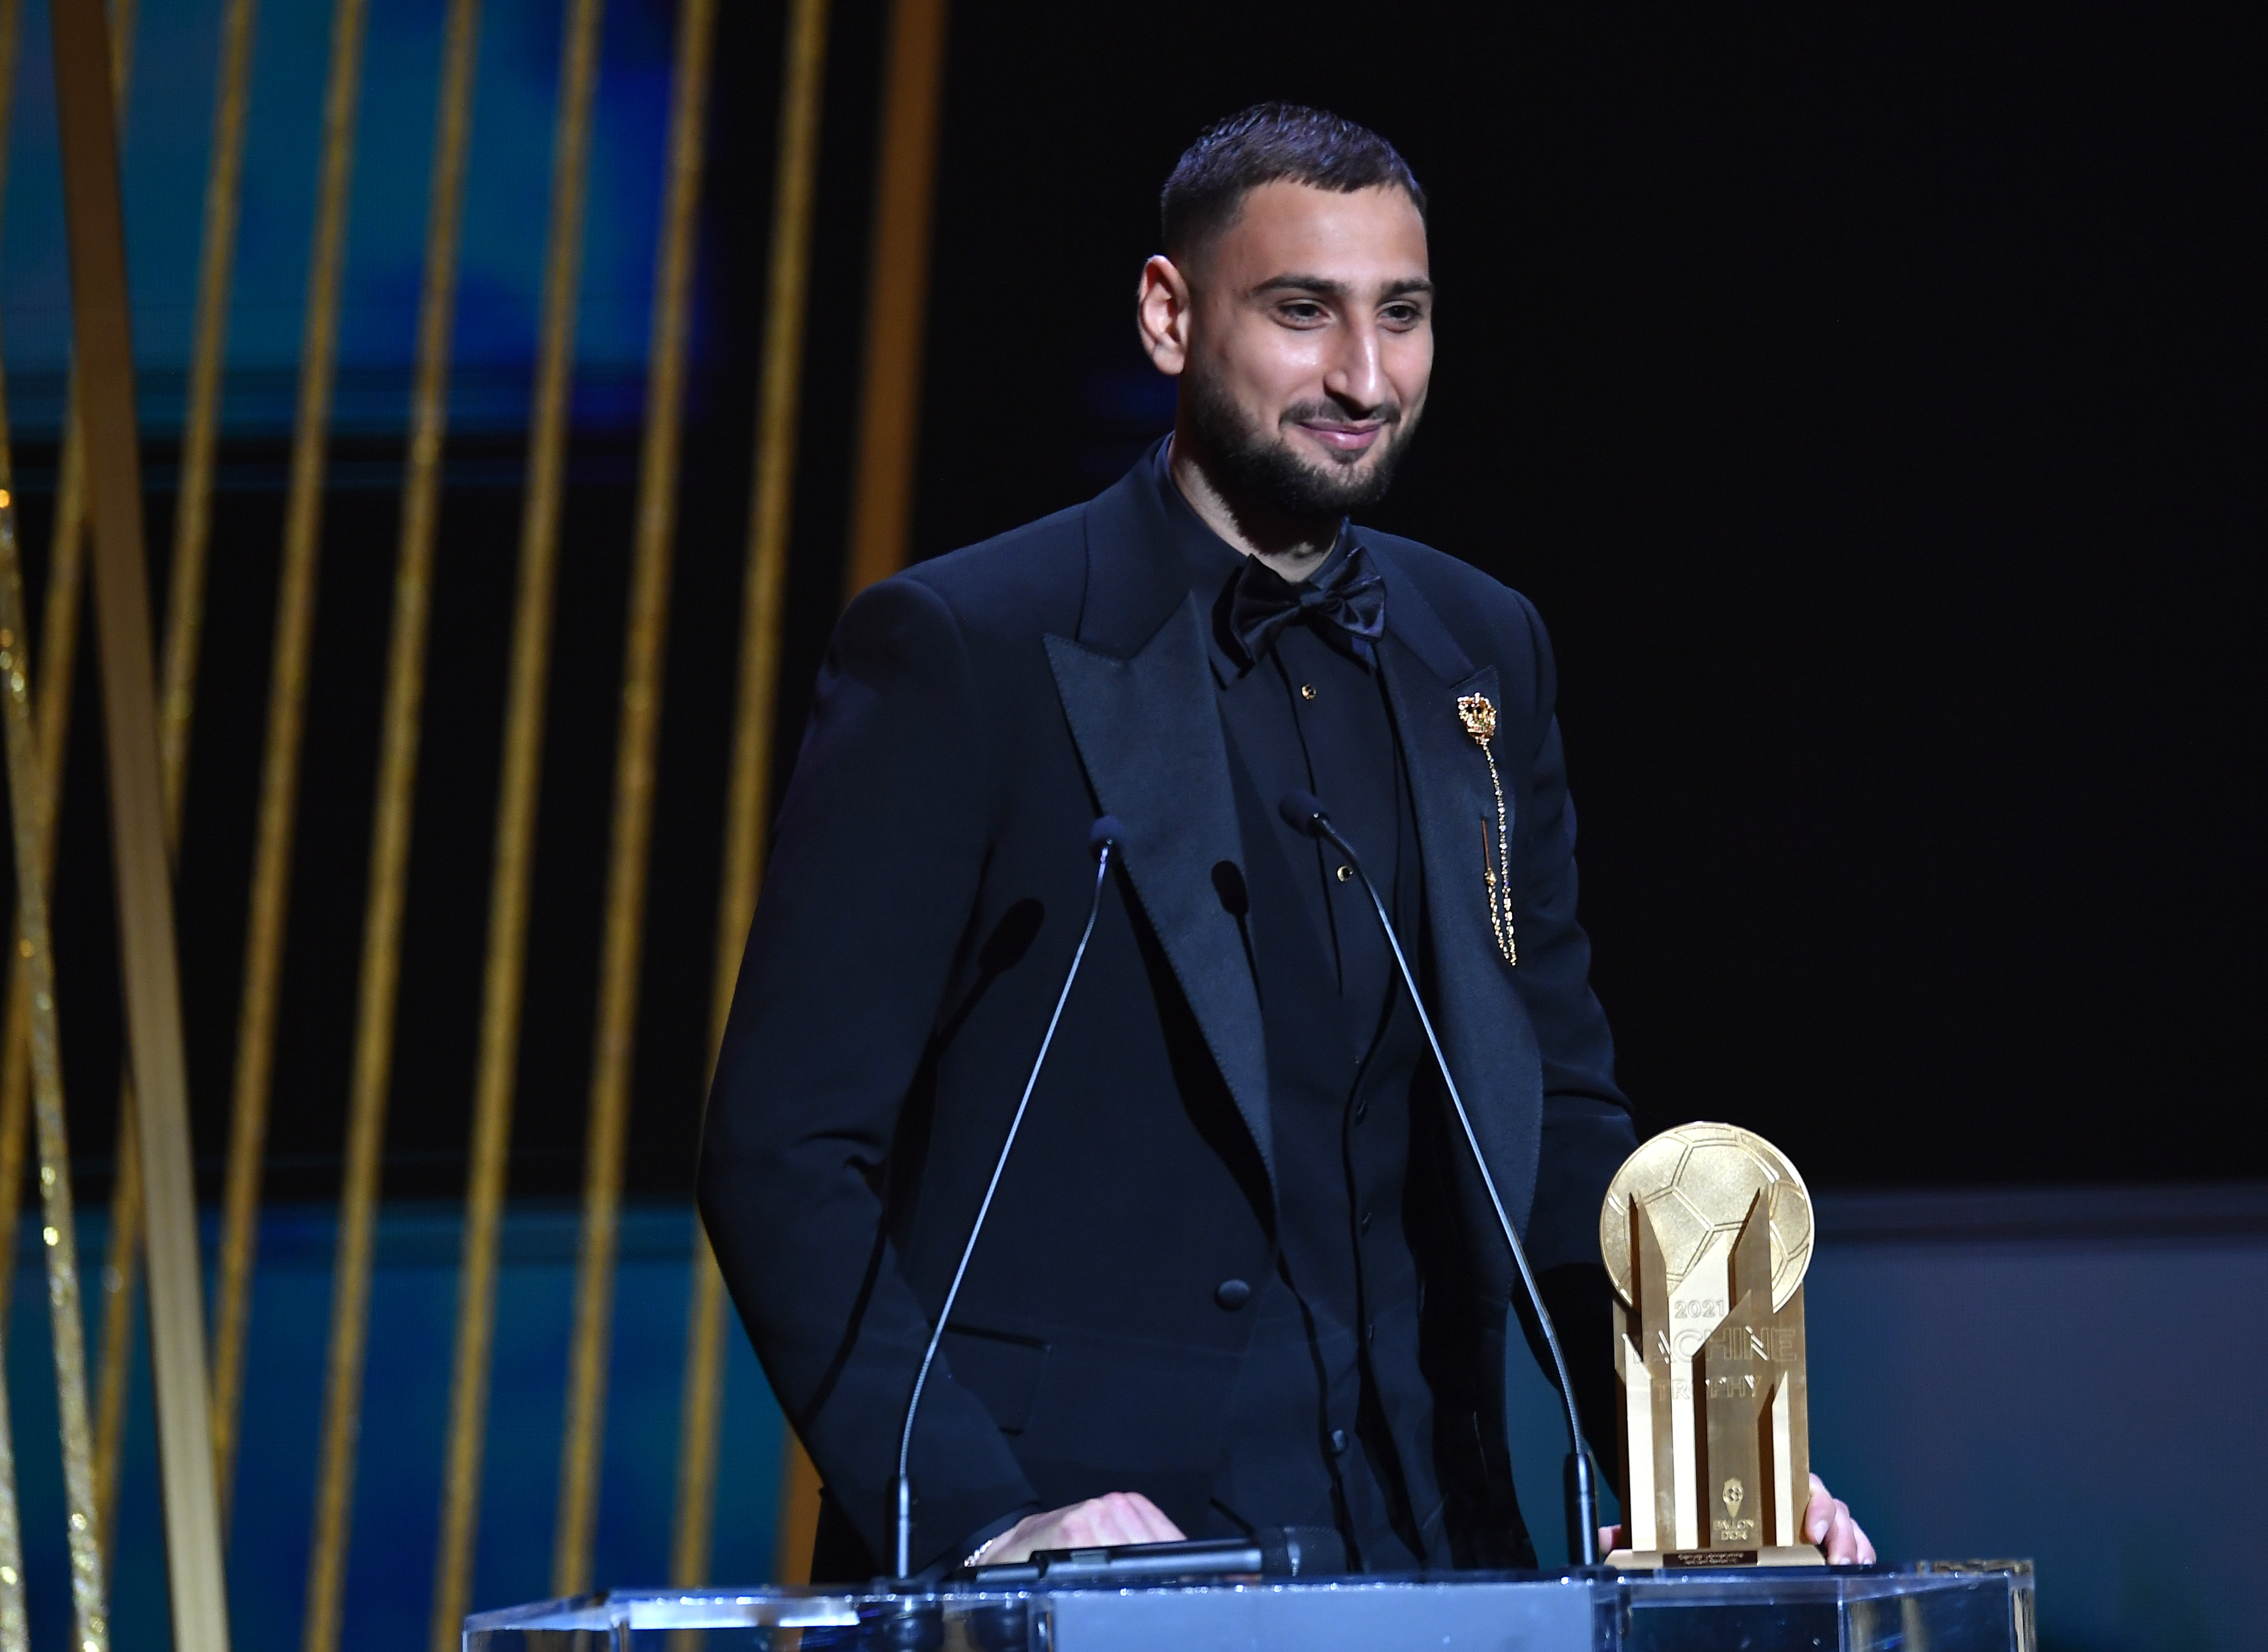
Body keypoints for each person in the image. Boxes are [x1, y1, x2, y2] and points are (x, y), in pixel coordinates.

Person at [699, 103, 1872, 1580]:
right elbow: (782, 1146)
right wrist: (976, 1510)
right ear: (1168, 314)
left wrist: (1704, 1478)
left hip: (1435, 1549)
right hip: (1082, 1563)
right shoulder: (963, 649)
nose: (1362, 378)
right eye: (1302, 313)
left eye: (1403, 316)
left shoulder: (1480, 648)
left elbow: (1556, 1115)